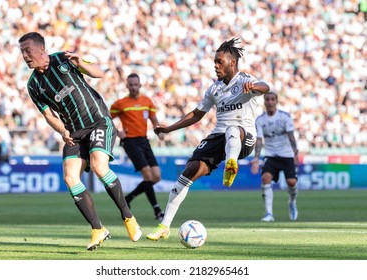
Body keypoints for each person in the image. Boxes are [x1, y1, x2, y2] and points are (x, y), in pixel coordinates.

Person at [18, 32, 142, 251]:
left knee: (98, 166)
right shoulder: (33, 85)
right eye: (22, 52)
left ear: (41, 49)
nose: (25, 56)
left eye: (27, 51)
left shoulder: (64, 59)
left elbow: (99, 73)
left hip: (98, 122)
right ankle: (98, 229)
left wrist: (80, 60)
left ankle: (127, 216)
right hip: (73, 132)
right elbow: (48, 116)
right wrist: (62, 131)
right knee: (69, 177)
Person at [146, 38, 270, 241]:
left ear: (232, 62)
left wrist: (254, 86)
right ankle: (164, 226)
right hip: (218, 138)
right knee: (188, 173)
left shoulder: (245, 80)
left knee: (232, 129)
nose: (215, 65)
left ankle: (231, 164)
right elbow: (196, 114)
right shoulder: (214, 89)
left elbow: (266, 87)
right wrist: (169, 128)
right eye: (214, 61)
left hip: (244, 138)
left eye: (219, 61)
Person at [110, 73, 164, 221]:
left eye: (136, 84)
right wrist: (118, 132)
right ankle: (157, 210)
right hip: (130, 142)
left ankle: (128, 198)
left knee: (156, 177)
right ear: (127, 86)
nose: (133, 87)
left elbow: (153, 118)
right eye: (131, 85)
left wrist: (158, 130)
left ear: (140, 85)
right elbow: (106, 119)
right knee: (148, 176)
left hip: (144, 141)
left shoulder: (147, 101)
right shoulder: (120, 103)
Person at [251, 91, 299, 222]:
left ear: (276, 101)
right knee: (265, 178)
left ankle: (292, 202)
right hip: (271, 155)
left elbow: (291, 136)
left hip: (287, 154)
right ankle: (269, 214)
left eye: (272, 99)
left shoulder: (285, 117)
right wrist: (256, 158)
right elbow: (259, 140)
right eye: (267, 99)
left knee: (292, 182)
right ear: (264, 102)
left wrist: (295, 153)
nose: (270, 102)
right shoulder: (260, 120)